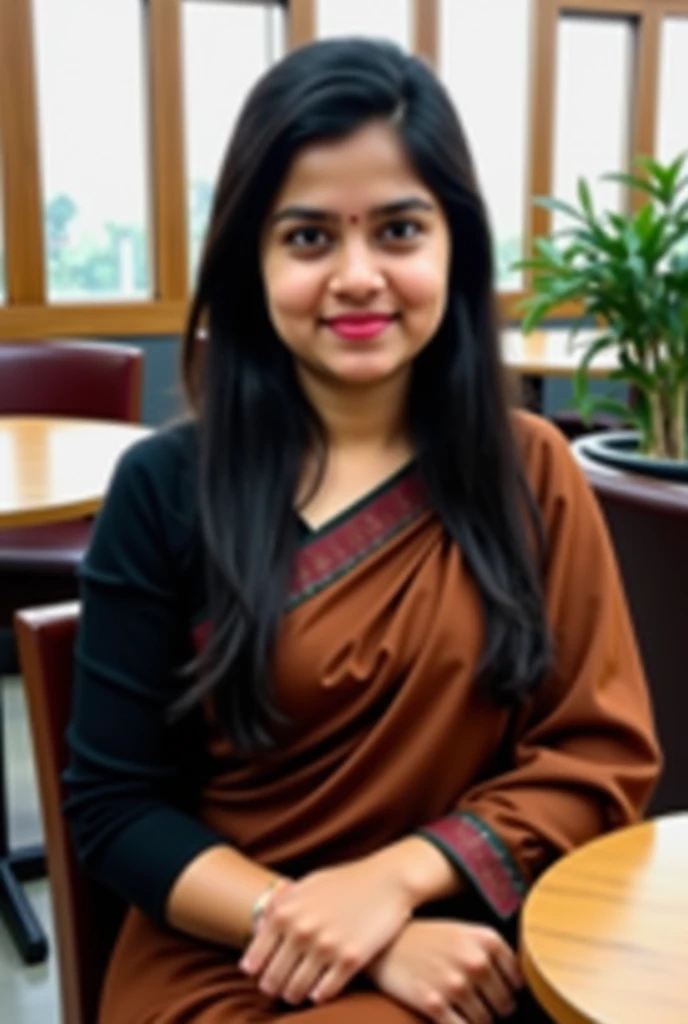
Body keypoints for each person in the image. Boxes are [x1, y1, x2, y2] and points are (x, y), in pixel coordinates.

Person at [64, 37, 661, 1024]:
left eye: (396, 230)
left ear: (452, 246)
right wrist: (329, 925)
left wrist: (392, 884)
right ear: (251, 257)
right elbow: (116, 808)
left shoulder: (529, 471)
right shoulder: (166, 486)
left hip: (473, 936)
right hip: (229, 953)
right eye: (307, 238)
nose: (355, 276)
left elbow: (595, 759)